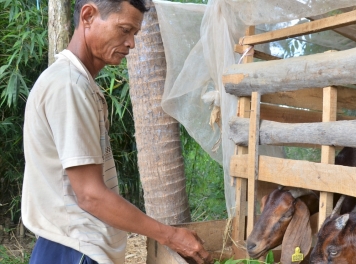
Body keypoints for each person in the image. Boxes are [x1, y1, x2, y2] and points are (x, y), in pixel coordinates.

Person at [22, 0, 213, 263]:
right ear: (88, 15)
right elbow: (91, 196)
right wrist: (169, 235)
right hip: (75, 249)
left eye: (134, 34)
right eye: (124, 30)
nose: (131, 44)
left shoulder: (77, 83)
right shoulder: (70, 86)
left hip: (69, 245)